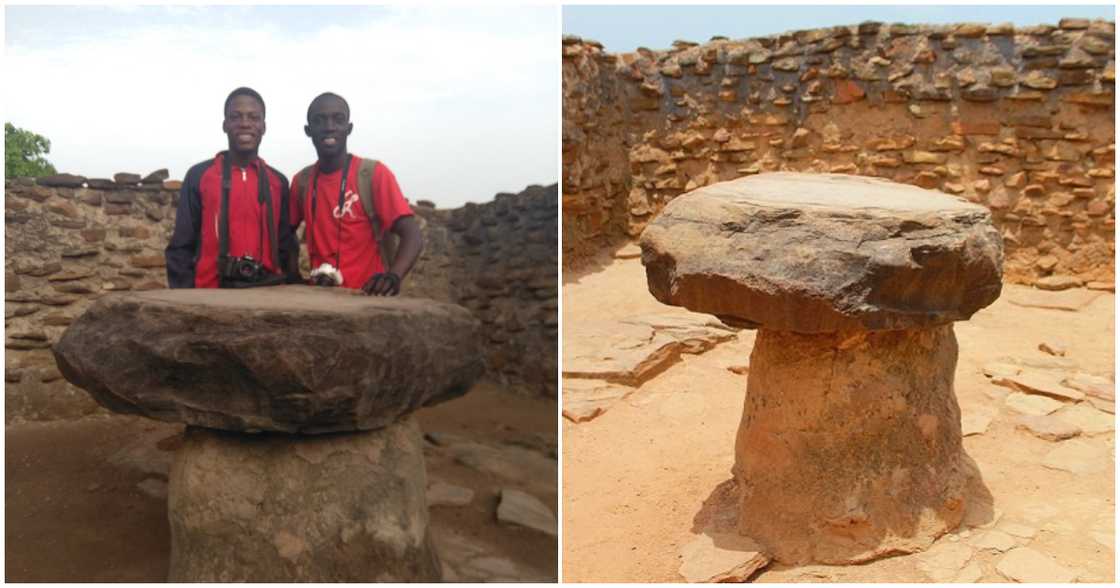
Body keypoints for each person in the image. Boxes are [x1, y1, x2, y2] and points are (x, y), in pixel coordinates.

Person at [288, 92, 423, 296]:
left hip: (368, 298)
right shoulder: (302, 182)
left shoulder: (373, 174)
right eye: (320, 120)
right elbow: (284, 234)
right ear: (308, 130)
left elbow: (412, 234)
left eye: (338, 119)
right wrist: (293, 275)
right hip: (320, 298)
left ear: (349, 128)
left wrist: (393, 276)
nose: (330, 126)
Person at [165, 87, 297, 288]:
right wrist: (187, 295)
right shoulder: (199, 175)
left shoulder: (277, 181)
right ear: (225, 125)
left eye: (253, 117)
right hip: (210, 295)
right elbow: (181, 245)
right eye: (236, 117)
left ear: (263, 126)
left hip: (268, 295)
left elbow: (286, 246)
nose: (245, 124)